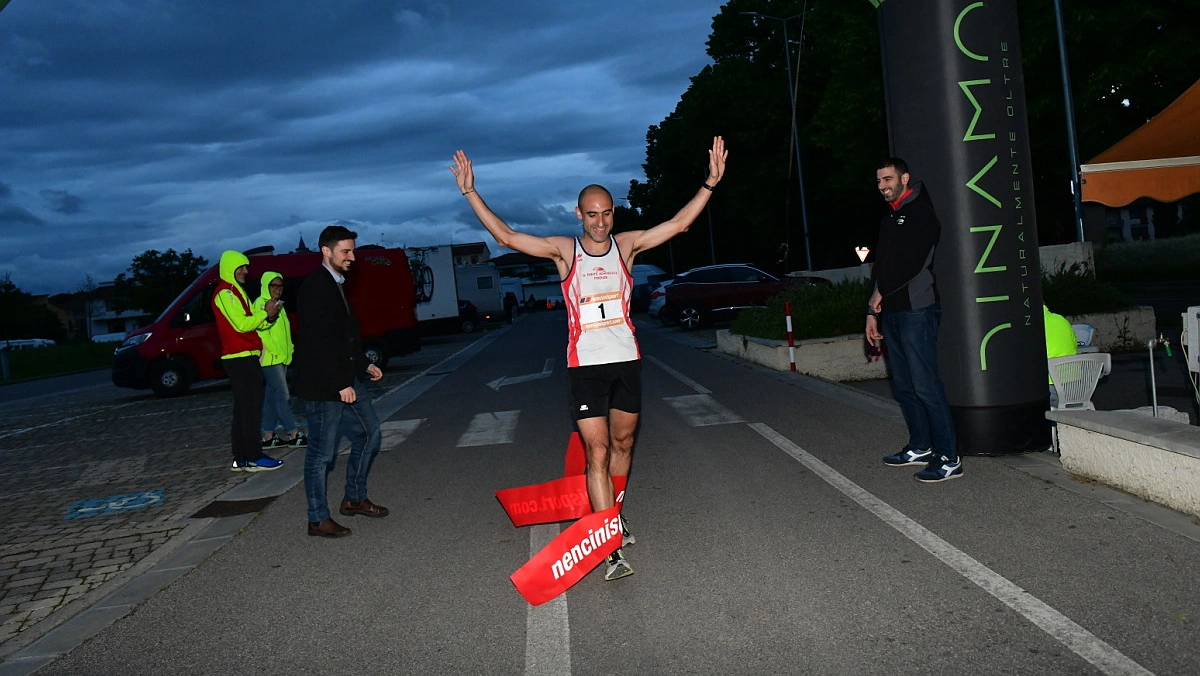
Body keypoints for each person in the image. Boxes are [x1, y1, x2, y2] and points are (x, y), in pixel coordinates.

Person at [451, 136, 728, 580]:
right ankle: (608, 547)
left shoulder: (628, 245)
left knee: (622, 446)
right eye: (592, 214)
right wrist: (469, 192)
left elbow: (678, 225)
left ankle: (613, 516)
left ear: (613, 214)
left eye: (607, 213)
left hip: (626, 363)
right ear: (579, 215)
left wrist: (710, 184)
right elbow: (506, 236)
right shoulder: (565, 251)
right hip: (585, 367)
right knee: (596, 451)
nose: (600, 222)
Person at [865, 157, 962, 482]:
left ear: (904, 178)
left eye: (888, 179)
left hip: (917, 311)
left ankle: (949, 457)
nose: (883, 186)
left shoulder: (922, 214)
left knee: (925, 386)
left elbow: (911, 264)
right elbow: (881, 267)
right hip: (892, 312)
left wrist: (881, 294)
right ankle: (920, 445)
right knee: (904, 386)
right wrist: (871, 310)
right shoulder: (889, 219)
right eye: (879, 181)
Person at [292, 225, 388, 538]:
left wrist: (364, 365)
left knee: (369, 434)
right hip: (325, 386)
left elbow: (342, 337)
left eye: (352, 250)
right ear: (326, 251)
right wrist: (339, 383)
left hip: (345, 378)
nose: (352, 257)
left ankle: (354, 498)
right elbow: (318, 342)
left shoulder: (336, 284)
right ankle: (317, 519)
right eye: (345, 251)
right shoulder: (315, 287)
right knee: (321, 454)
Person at [212, 250, 284, 472]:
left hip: (243, 357)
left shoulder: (234, 291)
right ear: (230, 268)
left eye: (246, 267)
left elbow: (250, 324)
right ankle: (253, 456)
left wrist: (268, 316)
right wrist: (265, 313)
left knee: (244, 409)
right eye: (241, 267)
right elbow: (242, 325)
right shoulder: (225, 293)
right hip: (240, 358)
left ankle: (242, 457)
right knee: (251, 409)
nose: (246, 271)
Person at [255, 271, 306, 449]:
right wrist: (277, 352)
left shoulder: (279, 305)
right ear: (265, 286)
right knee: (282, 396)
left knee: (271, 397)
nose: (278, 289)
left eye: (280, 285)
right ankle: (293, 433)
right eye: (273, 285)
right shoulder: (261, 304)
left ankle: (267, 436)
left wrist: (289, 351)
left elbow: (283, 333)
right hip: (270, 359)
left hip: (280, 358)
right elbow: (260, 330)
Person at [1044, 304, 1078, 408]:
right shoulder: (1060, 319)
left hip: (1050, 382)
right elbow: (1074, 344)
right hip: (1074, 381)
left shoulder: (1031, 325)